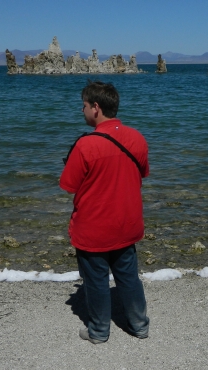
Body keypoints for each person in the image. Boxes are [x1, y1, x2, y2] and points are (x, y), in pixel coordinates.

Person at [60, 80, 150, 344]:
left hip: (94, 227)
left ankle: (99, 331)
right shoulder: (137, 137)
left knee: (96, 280)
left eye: (84, 105)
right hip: (127, 223)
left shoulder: (85, 145)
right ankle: (139, 325)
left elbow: (68, 185)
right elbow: (142, 172)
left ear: (96, 108)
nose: (82, 110)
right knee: (128, 276)